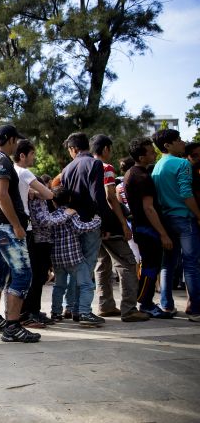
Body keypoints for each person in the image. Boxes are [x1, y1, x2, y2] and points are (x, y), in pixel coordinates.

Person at [0, 125, 40, 343]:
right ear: (11, 140)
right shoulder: (3, 161)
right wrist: (16, 224)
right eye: (16, 141)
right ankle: (13, 326)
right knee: (23, 274)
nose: (17, 146)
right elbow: (1, 194)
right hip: (6, 226)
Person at [90, 134, 149, 323]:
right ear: (106, 149)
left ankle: (105, 305)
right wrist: (123, 223)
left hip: (92, 225)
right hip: (109, 224)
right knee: (128, 263)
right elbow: (110, 197)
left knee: (102, 264)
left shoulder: (82, 167)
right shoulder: (105, 168)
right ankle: (129, 309)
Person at [30, 187, 102, 324]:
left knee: (59, 286)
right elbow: (80, 228)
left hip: (57, 258)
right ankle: (85, 313)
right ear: (69, 199)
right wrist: (97, 221)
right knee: (87, 284)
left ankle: (56, 313)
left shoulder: (51, 215)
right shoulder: (71, 213)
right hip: (73, 258)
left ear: (54, 202)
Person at [151, 129, 200, 322]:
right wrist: (199, 214)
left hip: (166, 219)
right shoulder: (182, 164)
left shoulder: (157, 167)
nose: (182, 142)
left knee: (168, 263)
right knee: (191, 264)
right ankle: (195, 309)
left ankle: (166, 304)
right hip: (184, 218)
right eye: (178, 140)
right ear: (168, 145)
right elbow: (186, 194)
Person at [60, 132, 108, 327]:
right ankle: (84, 310)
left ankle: (70, 306)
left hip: (72, 223)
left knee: (76, 267)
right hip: (90, 222)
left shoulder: (67, 169)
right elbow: (98, 196)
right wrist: (104, 221)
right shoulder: (94, 164)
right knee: (87, 266)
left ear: (73, 149)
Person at [124, 137, 174, 318]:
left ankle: (145, 301)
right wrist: (163, 234)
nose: (155, 153)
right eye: (151, 151)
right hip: (148, 229)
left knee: (149, 266)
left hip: (141, 227)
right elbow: (149, 208)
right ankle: (146, 303)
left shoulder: (131, 173)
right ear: (141, 156)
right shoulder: (143, 177)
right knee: (150, 267)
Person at [13, 139, 55, 327]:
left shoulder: (8, 171)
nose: (34, 158)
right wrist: (37, 191)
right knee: (34, 273)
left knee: (19, 274)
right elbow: (49, 194)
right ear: (22, 155)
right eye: (32, 154)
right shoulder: (24, 172)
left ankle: (26, 311)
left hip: (13, 225)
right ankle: (28, 312)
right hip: (27, 228)